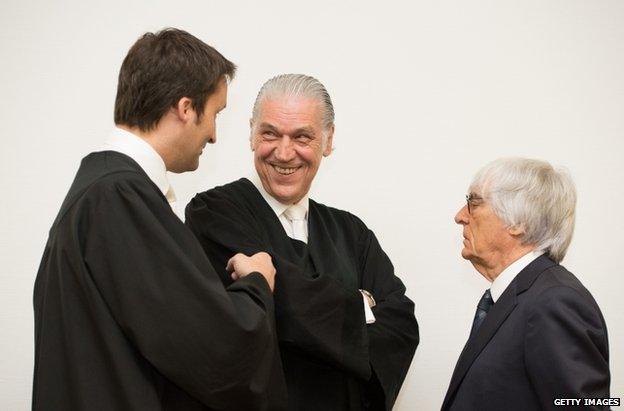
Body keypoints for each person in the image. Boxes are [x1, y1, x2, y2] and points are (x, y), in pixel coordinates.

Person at [33, 28, 286, 411]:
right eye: (215, 115)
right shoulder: (117, 198)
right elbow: (213, 347)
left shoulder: (103, 191)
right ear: (186, 109)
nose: (215, 135)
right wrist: (256, 282)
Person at [185, 74, 419, 410]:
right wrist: (361, 305)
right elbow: (276, 300)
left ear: (328, 139)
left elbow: (401, 324)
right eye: (270, 133)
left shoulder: (352, 233)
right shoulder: (214, 214)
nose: (283, 152)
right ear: (251, 133)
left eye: (302, 137)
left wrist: (292, 301)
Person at [441, 158, 610, 411]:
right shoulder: (519, 297)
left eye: (473, 202)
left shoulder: (555, 301)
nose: (460, 216)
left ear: (518, 223)